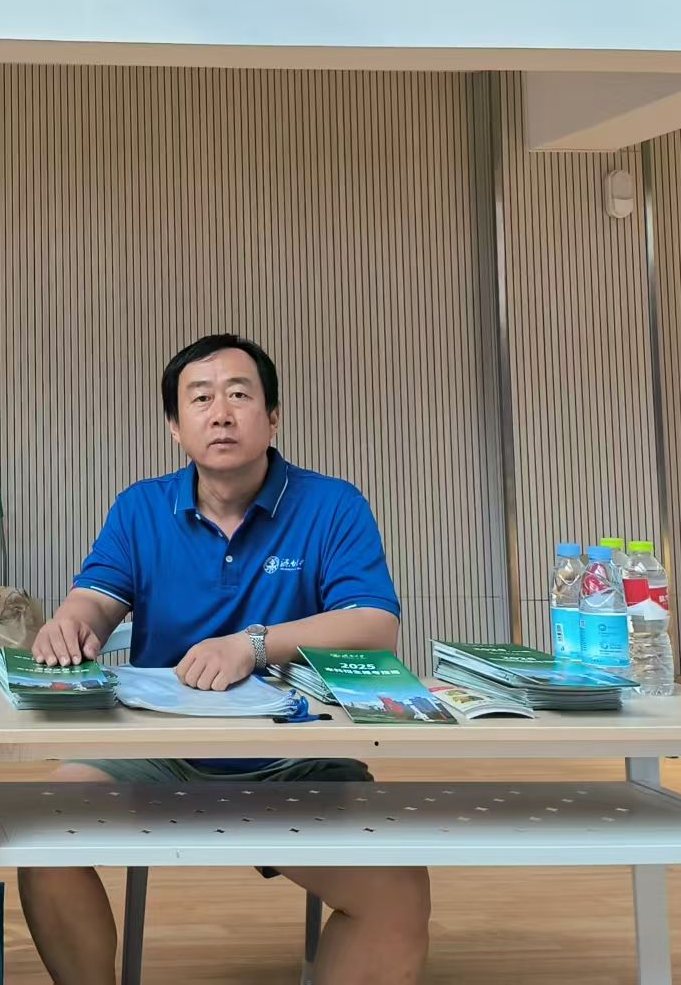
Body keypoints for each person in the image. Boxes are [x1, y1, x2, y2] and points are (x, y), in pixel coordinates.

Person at [21, 333, 430, 985]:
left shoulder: (332, 506)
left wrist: (253, 644)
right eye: (201, 398)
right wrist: (71, 623)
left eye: (239, 395)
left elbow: (375, 626)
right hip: (157, 750)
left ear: (272, 417)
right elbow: (95, 600)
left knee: (398, 895)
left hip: (298, 756)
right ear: (175, 426)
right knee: (45, 829)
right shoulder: (141, 508)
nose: (221, 413)